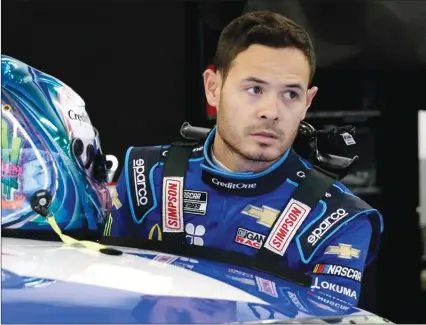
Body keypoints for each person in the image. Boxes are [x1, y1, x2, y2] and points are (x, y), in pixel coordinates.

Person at [106, 11, 383, 306]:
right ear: (213, 88)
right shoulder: (145, 175)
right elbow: (98, 292)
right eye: (254, 89)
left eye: (290, 94)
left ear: (307, 102)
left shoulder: (339, 219)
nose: (271, 111)